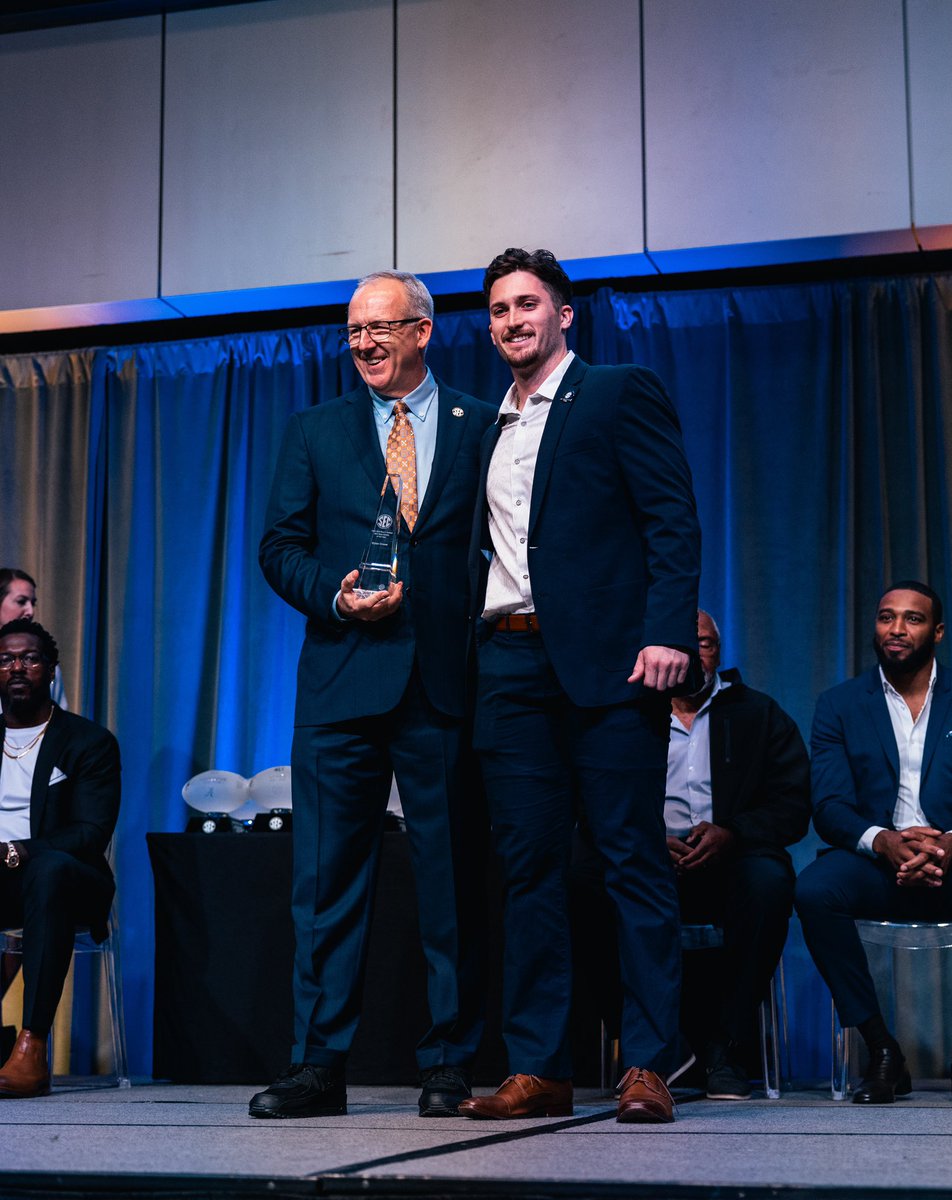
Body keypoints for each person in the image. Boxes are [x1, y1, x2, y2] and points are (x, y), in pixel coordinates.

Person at [459, 248, 700, 1124]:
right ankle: (540, 1067)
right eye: (497, 310)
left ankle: (646, 1065)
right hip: (510, 665)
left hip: (607, 664)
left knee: (631, 860)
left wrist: (669, 629)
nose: (511, 320)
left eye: (527, 304)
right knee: (527, 871)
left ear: (566, 315)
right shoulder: (489, 424)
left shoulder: (616, 391)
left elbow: (671, 515)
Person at [253, 270, 494, 1119]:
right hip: (341, 683)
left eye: (379, 327)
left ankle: (449, 1062)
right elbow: (279, 547)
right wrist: (334, 592)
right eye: (352, 331)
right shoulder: (314, 429)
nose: (362, 343)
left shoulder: (479, 423)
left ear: (423, 330)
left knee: (450, 882)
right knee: (324, 883)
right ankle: (317, 1064)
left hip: (443, 683)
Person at [795, 581, 952, 1104]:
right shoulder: (840, 705)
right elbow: (830, 806)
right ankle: (881, 1049)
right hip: (876, 862)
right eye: (886, 617)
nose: (896, 629)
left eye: (912, 619)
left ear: (936, 632)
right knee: (815, 891)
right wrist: (884, 840)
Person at [664, 609, 810, 1098]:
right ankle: (666, 1044)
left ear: (718, 651)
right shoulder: (628, 716)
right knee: (579, 879)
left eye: (702, 643)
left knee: (770, 883)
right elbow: (591, 799)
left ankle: (726, 1043)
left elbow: (792, 806)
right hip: (648, 858)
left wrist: (731, 831)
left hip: (733, 856)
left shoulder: (758, 713)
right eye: (680, 643)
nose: (691, 654)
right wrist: (644, 837)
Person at [0, 619, 120, 1098]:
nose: (17, 667)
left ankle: (32, 1046)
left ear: (50, 669)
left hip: (69, 881)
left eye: (29, 658)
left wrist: (17, 851)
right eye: (6, 659)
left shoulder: (87, 742)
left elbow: (90, 833)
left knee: (47, 871)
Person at [0, 571, 67, 709]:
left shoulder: (44, 661)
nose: (30, 611)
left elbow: (59, 716)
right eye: (21, 601)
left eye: (32, 603)